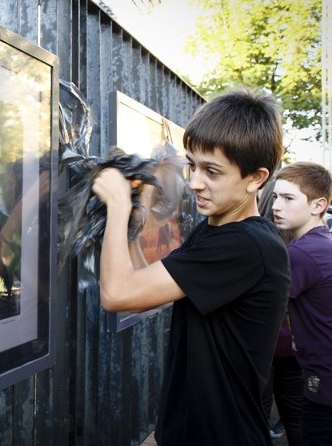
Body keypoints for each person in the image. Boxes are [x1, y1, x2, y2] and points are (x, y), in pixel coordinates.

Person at [92, 87, 290, 445]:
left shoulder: (244, 246)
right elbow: (144, 287)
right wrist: (137, 213)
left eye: (212, 172)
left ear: (256, 178)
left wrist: (118, 206)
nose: (195, 182)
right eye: (192, 165)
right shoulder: (215, 230)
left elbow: (117, 294)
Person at [272, 161, 332, 446]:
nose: (276, 206)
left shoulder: (302, 253)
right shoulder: (323, 243)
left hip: (324, 382)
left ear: (318, 205)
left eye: (288, 198)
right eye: (275, 196)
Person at [259, 179, 303, 446]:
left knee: (258, 412)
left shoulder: (259, 241)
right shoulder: (304, 242)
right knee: (295, 414)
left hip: (265, 345)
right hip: (294, 345)